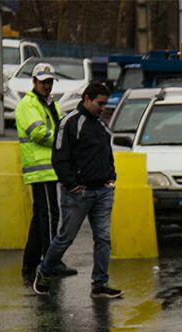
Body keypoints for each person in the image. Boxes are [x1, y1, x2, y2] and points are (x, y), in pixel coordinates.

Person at [33, 82, 123, 299]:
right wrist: (72, 184)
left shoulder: (100, 126)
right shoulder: (70, 122)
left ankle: (99, 283)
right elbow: (59, 157)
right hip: (78, 194)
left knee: (103, 238)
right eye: (99, 103)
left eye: (105, 104)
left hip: (102, 192)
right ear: (86, 99)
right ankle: (44, 272)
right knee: (65, 238)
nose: (103, 108)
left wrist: (111, 178)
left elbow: (106, 154)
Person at [16, 62, 77, 280]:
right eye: (43, 82)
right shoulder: (28, 104)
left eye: (49, 82)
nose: (47, 86)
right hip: (40, 170)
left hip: (50, 169)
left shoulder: (51, 104)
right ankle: (51, 262)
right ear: (34, 82)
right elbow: (38, 133)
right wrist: (63, 140)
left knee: (40, 218)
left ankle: (29, 264)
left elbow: (58, 127)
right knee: (50, 215)